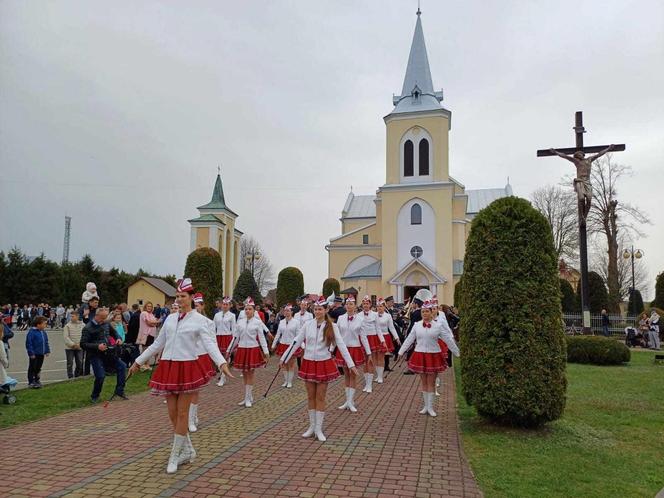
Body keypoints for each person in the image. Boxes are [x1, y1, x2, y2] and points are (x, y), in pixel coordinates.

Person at [128, 278, 233, 474]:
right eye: (177, 297)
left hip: (186, 368)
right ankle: (188, 450)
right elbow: (157, 344)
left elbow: (210, 344)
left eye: (183, 296)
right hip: (168, 367)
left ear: (192, 298)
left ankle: (174, 455)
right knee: (173, 414)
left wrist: (221, 363)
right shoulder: (169, 319)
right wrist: (138, 361)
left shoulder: (200, 321)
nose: (179, 300)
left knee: (183, 413)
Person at [281, 296, 358, 442]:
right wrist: (284, 357)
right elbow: (296, 342)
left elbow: (341, 345)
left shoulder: (332, 327)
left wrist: (351, 364)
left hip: (323, 363)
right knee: (310, 396)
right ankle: (311, 427)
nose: (317, 312)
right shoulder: (307, 325)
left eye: (320, 309)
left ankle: (319, 428)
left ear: (326, 310)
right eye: (315, 309)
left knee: (321, 396)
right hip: (309, 362)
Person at [397, 300, 459, 417]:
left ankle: (430, 407)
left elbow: (448, 340)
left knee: (431, 382)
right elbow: (410, 339)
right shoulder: (417, 326)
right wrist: (401, 351)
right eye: (423, 312)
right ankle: (425, 406)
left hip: (433, 355)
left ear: (432, 313)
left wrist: (457, 352)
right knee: (424, 382)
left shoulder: (438, 326)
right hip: (420, 354)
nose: (424, 314)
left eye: (427, 311)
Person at [228, 297, 270, 407]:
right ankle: (248, 396)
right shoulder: (240, 322)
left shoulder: (257, 323)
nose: (247, 311)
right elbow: (235, 338)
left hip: (253, 349)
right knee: (245, 374)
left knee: (250, 374)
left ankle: (248, 398)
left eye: (250, 309)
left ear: (254, 311)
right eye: (246, 309)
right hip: (242, 349)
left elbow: (261, 338)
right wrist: (229, 350)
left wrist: (266, 352)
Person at [80, 307, 127, 403]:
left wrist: (118, 338)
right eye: (102, 318)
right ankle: (95, 396)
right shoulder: (87, 328)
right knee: (100, 376)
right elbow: (83, 344)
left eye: (105, 317)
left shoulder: (106, 323)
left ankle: (119, 391)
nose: (104, 320)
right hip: (95, 355)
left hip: (108, 353)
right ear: (96, 316)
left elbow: (114, 333)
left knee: (122, 366)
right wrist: (97, 346)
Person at [335, 296, 372, 412]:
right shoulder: (340, 318)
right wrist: (331, 348)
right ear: (345, 305)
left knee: (353, 375)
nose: (349, 306)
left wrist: (369, 352)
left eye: (351, 304)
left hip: (355, 349)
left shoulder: (360, 320)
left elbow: (364, 337)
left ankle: (351, 401)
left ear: (355, 306)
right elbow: (337, 335)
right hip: (343, 349)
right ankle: (347, 400)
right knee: (346, 374)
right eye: (347, 304)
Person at [189, 293, 216, 432]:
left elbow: (212, 342)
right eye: (195, 305)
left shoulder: (208, 322)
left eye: (199, 305)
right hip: (187, 357)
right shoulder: (187, 321)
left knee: (195, 389)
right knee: (186, 389)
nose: (196, 307)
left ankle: (192, 418)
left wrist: (218, 360)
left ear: (203, 306)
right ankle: (191, 416)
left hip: (201, 356)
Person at [359, 296, 385, 393]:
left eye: (367, 303)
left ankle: (370, 385)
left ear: (370, 305)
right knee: (364, 362)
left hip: (373, 338)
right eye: (364, 303)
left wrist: (382, 340)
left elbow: (378, 329)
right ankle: (366, 383)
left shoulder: (375, 315)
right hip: (363, 339)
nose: (365, 305)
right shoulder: (358, 315)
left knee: (371, 361)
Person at [271, 304, 302, 388]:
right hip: (282, 344)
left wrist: (301, 345)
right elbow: (278, 334)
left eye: (288, 310)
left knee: (291, 364)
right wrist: (273, 344)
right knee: (284, 364)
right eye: (285, 310)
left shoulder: (296, 322)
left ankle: (289, 381)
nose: (286, 312)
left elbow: (298, 335)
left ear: (291, 312)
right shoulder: (281, 322)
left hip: (291, 345)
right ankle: (285, 380)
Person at [375, 298, 400, 383]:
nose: (379, 308)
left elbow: (391, 328)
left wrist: (396, 338)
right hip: (375, 337)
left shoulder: (388, 316)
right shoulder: (374, 315)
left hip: (385, 337)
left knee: (381, 357)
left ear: (384, 307)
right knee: (376, 357)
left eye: (381, 306)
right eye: (378, 306)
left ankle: (380, 376)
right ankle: (377, 375)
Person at [213, 297, 236, 387]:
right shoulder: (217, 315)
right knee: (218, 357)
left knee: (226, 357)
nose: (225, 306)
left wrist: (234, 340)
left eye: (227, 304)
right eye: (223, 304)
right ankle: (223, 373)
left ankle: (223, 377)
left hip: (227, 337)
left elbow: (234, 329)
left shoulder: (232, 315)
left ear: (229, 306)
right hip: (218, 337)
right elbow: (213, 327)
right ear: (221, 305)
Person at [26, 316, 50, 388]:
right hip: (34, 354)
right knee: (32, 367)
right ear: (38, 324)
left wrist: (47, 350)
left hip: (41, 353)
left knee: (38, 368)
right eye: (44, 324)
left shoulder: (43, 332)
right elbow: (29, 343)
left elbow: (46, 342)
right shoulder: (32, 332)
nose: (46, 325)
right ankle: (31, 381)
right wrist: (31, 353)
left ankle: (37, 379)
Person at [137, 302, 160, 371]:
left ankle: (147, 364)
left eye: (150, 306)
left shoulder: (151, 314)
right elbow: (149, 323)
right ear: (145, 307)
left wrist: (155, 323)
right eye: (148, 306)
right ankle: (143, 364)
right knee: (145, 350)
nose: (149, 308)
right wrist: (157, 322)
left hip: (151, 334)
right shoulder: (144, 313)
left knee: (149, 349)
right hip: (145, 334)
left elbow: (155, 323)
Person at [63, 310, 84, 378]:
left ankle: (77, 375)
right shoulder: (67, 326)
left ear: (77, 316)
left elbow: (84, 336)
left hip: (80, 347)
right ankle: (70, 377)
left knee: (80, 363)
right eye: (71, 316)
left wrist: (79, 344)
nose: (71, 317)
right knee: (70, 363)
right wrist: (73, 344)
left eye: (73, 316)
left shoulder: (83, 325)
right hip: (69, 348)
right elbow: (66, 337)